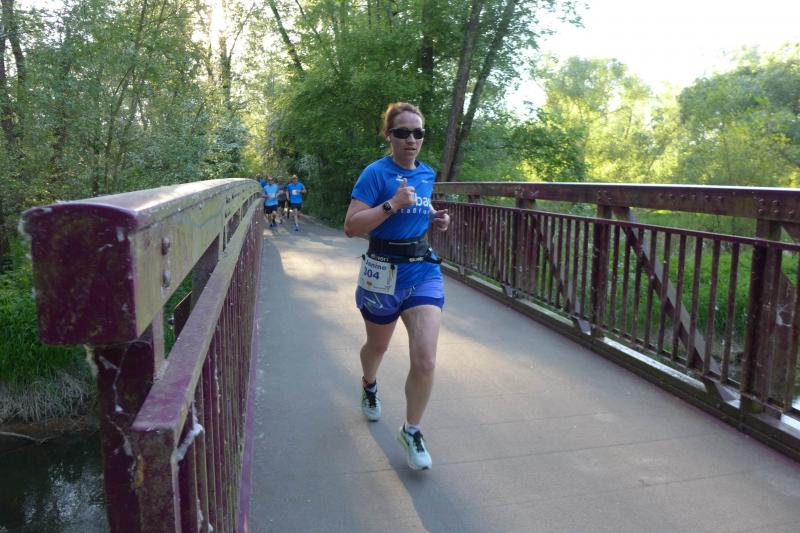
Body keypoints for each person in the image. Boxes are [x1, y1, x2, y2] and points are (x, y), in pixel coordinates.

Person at [343, 102, 450, 471]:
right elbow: (351, 226)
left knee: (426, 358)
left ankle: (412, 429)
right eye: (402, 132)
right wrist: (392, 204)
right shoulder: (375, 173)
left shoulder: (427, 173)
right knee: (378, 346)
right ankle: (369, 383)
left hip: (422, 271)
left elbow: (420, 205)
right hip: (382, 273)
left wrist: (434, 218)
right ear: (389, 135)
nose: (411, 139)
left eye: (418, 133)